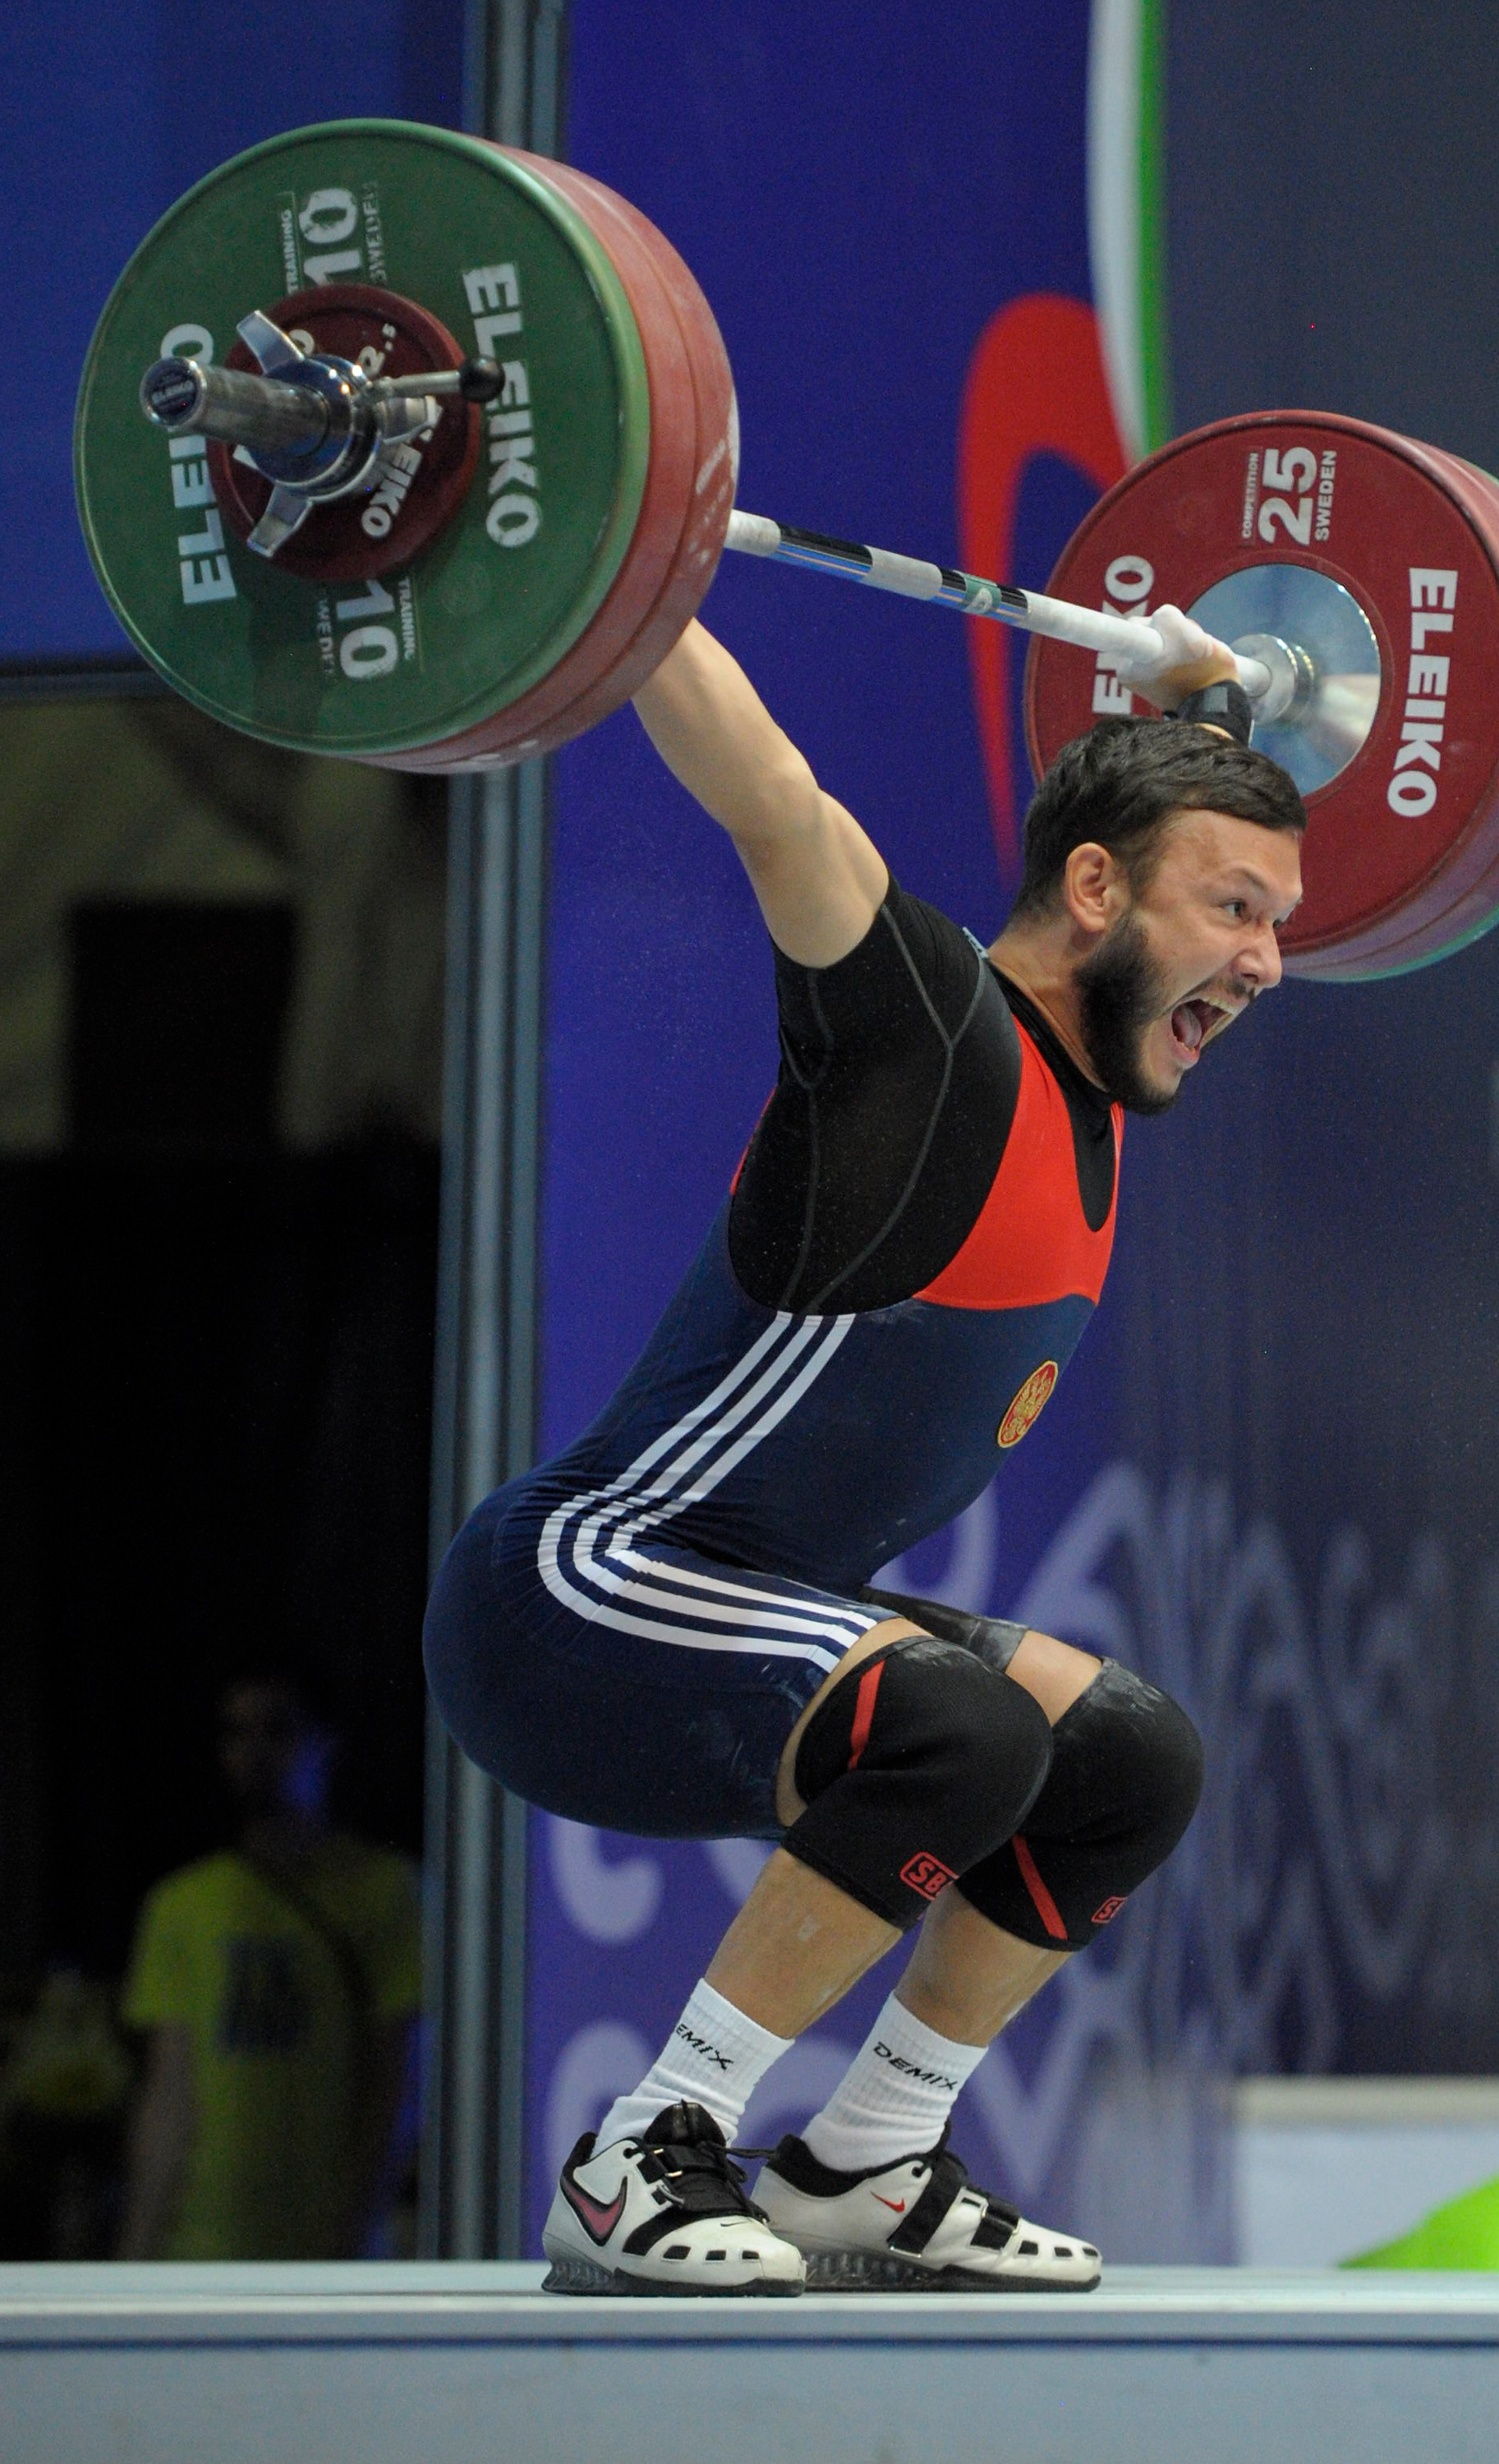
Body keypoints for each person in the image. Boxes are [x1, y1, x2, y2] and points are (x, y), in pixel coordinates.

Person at [425, 604, 1306, 2296]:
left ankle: (865, 2160)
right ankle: (645, 2149)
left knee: (1127, 1761)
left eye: (1277, 919)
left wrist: (1204, 708)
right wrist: (624, 576)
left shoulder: (1096, 1082)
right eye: (1238, 909)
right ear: (1099, 891)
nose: (1266, 960)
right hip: (574, 1597)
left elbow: (1164, 809)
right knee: (963, 1730)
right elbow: (770, 796)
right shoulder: (926, 1029)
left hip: (761, 1604)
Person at [119, 1673, 421, 2260]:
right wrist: (138, 2248)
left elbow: (399, 2083)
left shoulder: (386, 1892)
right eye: (236, 1733)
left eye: (277, 1730)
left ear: (324, 1743)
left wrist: (353, 2227)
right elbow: (170, 2094)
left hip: (331, 2250)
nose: (254, 1752)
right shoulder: (182, 1904)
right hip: (202, 2248)